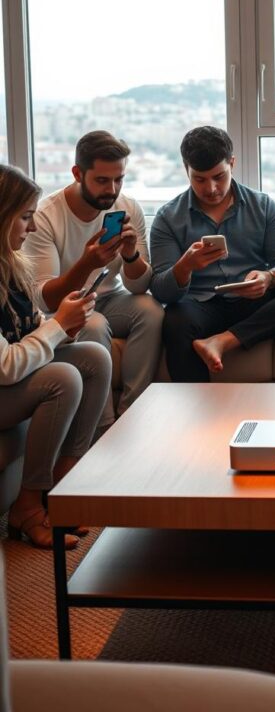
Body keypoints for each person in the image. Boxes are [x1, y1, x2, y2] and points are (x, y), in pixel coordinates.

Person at [149, 126, 275, 380]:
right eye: (200, 179)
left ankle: (223, 341)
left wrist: (268, 278)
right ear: (186, 170)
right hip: (201, 306)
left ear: (232, 163)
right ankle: (194, 402)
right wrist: (184, 267)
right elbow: (161, 290)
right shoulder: (168, 218)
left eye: (219, 177)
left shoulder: (262, 205)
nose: (211, 188)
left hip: (253, 302)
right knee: (176, 321)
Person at [0, 165, 111, 550]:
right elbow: (6, 367)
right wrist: (58, 326)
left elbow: (29, 328)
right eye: (25, 217)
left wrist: (64, 326)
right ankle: (28, 506)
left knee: (95, 356)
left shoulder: (11, 263)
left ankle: (65, 485)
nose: (31, 228)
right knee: (62, 379)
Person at [23, 131, 163, 429]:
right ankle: (103, 427)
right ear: (77, 173)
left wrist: (130, 256)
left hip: (109, 297)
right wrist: (87, 264)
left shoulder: (128, 207)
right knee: (93, 323)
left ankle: (134, 411)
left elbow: (139, 286)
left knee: (151, 310)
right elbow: (44, 299)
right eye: (102, 180)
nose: (111, 190)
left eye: (119, 179)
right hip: (63, 307)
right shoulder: (46, 217)